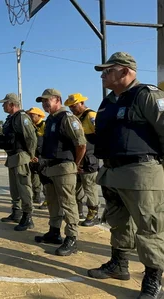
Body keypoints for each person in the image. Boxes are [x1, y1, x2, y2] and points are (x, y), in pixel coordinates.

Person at [88, 52, 164, 298]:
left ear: (125, 71)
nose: (103, 75)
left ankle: (153, 279)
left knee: (149, 227)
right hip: (111, 171)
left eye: (108, 70)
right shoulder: (108, 102)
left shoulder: (147, 95)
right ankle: (119, 264)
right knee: (118, 222)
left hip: (141, 173)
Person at [34, 88, 87, 256]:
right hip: (50, 168)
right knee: (53, 202)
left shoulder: (67, 118)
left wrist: (74, 164)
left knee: (68, 203)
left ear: (57, 100)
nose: (44, 104)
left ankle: (72, 238)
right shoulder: (51, 120)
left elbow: (81, 144)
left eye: (46, 100)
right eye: (42, 101)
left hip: (64, 167)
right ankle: (54, 232)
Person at [0, 93, 38, 231]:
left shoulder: (22, 117)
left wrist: (31, 155)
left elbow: (31, 138)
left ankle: (28, 217)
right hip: (13, 156)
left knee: (23, 187)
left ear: (12, 104)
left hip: (21, 156)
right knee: (15, 188)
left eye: (5, 103)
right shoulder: (11, 119)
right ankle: (16, 212)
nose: (3, 106)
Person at [64, 93, 100, 226]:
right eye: (70, 107)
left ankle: (93, 213)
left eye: (74, 106)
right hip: (77, 158)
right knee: (76, 187)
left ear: (81, 103)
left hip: (89, 158)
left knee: (89, 187)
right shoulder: (74, 118)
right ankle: (78, 211)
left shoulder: (91, 115)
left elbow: (100, 134)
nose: (72, 109)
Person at [25, 107, 46, 207]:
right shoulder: (32, 127)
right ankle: (36, 196)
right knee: (35, 177)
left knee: (46, 178)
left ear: (38, 115)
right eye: (29, 115)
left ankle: (48, 198)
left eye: (32, 115)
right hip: (34, 156)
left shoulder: (45, 125)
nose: (30, 117)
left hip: (44, 157)